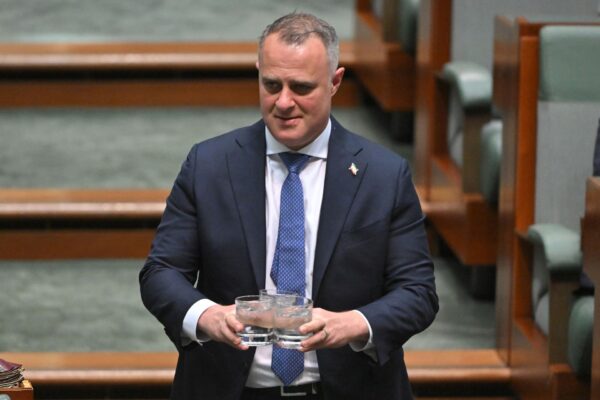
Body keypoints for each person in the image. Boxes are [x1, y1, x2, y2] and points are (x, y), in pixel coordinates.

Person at [140, 12, 438, 400]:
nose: (283, 102)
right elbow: (160, 273)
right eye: (271, 84)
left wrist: (352, 324)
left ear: (335, 83)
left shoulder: (383, 175)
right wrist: (208, 316)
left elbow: (417, 293)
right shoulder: (209, 165)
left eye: (301, 87)